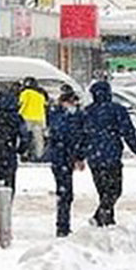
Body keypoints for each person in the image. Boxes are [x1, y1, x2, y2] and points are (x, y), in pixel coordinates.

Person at [82, 81, 136, 227]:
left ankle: (106, 218)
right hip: (112, 155)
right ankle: (101, 216)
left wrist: (79, 153)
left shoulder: (87, 111)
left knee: (103, 190)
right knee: (115, 189)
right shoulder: (117, 110)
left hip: (94, 157)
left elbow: (80, 134)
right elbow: (127, 130)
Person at [47, 90, 86, 237]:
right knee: (65, 193)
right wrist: (77, 156)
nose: (74, 105)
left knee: (65, 193)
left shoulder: (67, 116)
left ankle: (63, 225)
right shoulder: (62, 116)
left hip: (63, 158)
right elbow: (69, 135)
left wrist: (79, 156)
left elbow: (80, 136)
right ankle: (62, 226)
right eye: (71, 102)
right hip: (61, 158)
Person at [18, 77, 48, 161]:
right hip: (40, 118)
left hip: (26, 117)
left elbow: (21, 103)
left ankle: (25, 154)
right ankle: (39, 155)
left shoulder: (26, 93)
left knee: (25, 137)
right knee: (38, 138)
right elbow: (45, 105)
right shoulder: (41, 94)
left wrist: (19, 113)